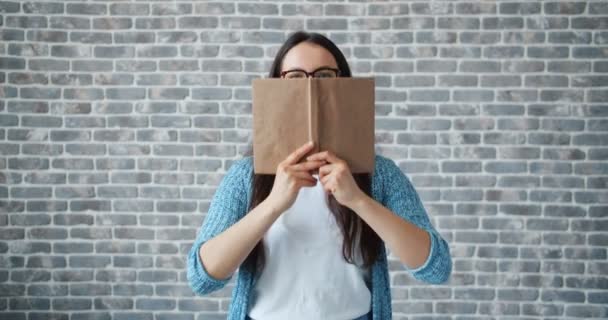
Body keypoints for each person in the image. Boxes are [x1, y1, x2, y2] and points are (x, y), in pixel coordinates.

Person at [187, 31, 452, 320]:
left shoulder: (380, 175)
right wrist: (273, 203)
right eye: (295, 77)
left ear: (343, 85)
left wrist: (358, 200)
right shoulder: (245, 177)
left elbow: (437, 268)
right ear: (276, 86)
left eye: (324, 76)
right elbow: (202, 278)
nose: (310, 87)